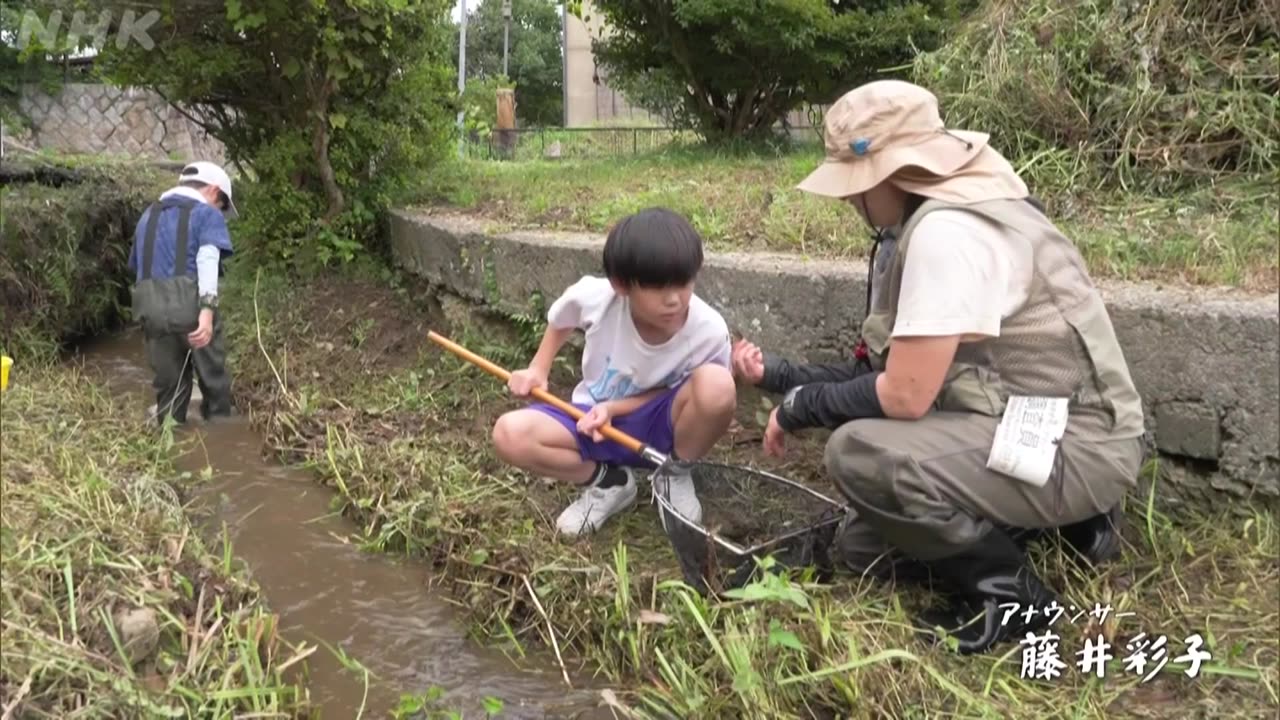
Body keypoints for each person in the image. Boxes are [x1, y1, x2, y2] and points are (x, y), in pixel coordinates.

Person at [731, 80, 1146, 655]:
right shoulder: (968, 204)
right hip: (1044, 426)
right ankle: (1071, 527)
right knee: (861, 548)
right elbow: (877, 372)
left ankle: (1013, 600)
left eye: (857, 188)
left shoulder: (947, 235)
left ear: (893, 174)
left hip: (1075, 445)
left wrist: (800, 410)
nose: (852, 203)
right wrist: (786, 381)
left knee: (860, 455)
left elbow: (904, 395)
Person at [492, 207, 738, 538]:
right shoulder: (597, 298)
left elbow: (692, 394)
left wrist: (615, 409)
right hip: (589, 418)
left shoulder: (708, 330)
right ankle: (609, 483)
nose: (674, 300)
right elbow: (562, 318)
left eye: (683, 282)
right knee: (509, 434)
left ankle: (673, 473)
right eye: (657, 287)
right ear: (621, 284)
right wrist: (539, 366)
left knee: (718, 385)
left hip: (658, 426)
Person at [128, 161, 238, 425]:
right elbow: (208, 260)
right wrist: (207, 313)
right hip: (190, 306)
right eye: (222, 206)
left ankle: (170, 444)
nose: (220, 213)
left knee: (170, 388)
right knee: (213, 380)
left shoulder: (147, 216)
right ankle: (222, 437)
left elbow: (136, 265)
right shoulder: (206, 214)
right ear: (214, 191)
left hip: (150, 310)